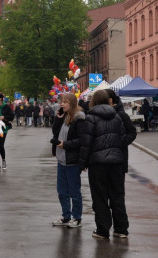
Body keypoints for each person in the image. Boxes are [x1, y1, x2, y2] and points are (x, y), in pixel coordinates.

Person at [80, 90, 129, 240]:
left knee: (100, 197)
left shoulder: (90, 118)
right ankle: (121, 229)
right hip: (116, 162)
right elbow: (122, 138)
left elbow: (86, 143)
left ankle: (102, 230)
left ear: (93, 101)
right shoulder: (117, 116)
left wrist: (83, 162)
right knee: (117, 195)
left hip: (98, 163)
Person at [50, 92, 86, 228]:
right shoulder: (64, 117)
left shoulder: (79, 119)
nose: (61, 104)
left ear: (71, 104)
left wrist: (65, 145)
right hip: (61, 160)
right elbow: (55, 132)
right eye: (61, 101)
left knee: (74, 191)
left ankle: (77, 218)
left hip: (72, 160)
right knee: (62, 191)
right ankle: (66, 216)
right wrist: (58, 119)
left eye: (64, 102)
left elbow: (81, 140)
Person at [106, 88, 138, 176]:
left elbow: (132, 132)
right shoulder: (100, 114)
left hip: (119, 159)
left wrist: (121, 142)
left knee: (117, 188)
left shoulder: (121, 115)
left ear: (110, 100)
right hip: (102, 161)